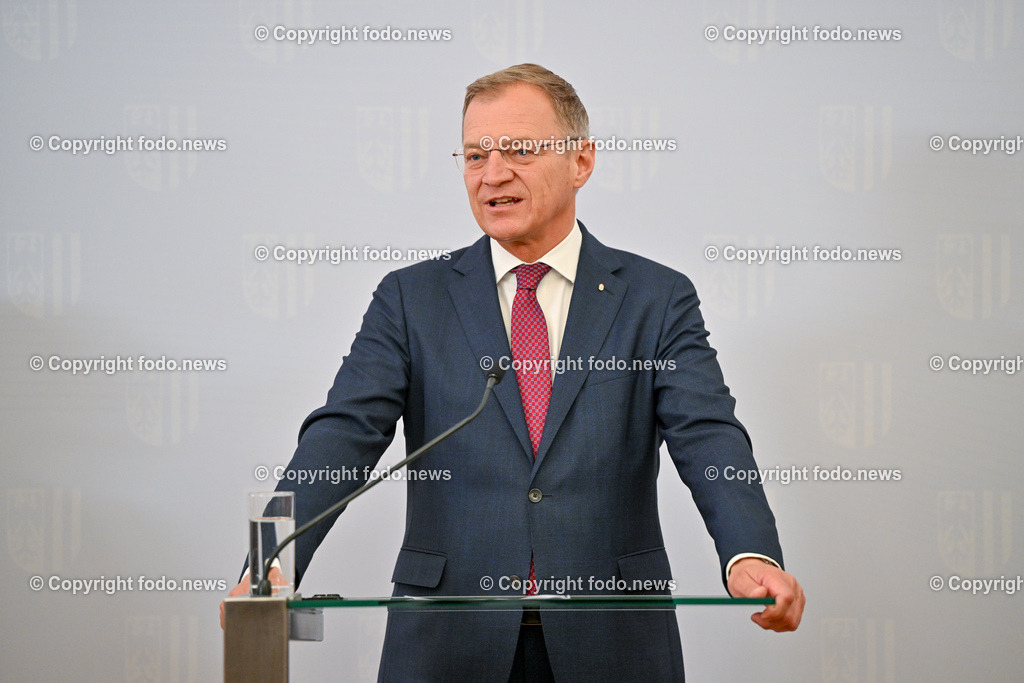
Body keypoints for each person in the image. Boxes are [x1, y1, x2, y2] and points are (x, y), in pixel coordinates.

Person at [222, 63, 804, 681]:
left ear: (581, 162)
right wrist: (272, 563)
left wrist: (751, 552)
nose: (492, 174)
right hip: (448, 641)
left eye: (519, 150)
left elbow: (708, 433)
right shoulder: (411, 299)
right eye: (475, 155)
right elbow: (341, 434)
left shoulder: (656, 298)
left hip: (613, 638)